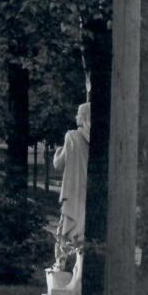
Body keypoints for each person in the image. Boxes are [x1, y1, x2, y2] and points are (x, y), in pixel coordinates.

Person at [53, 103, 89, 270]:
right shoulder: (94, 139)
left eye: (78, 113)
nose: (76, 116)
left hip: (72, 191)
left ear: (82, 117)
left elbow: (58, 164)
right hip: (86, 191)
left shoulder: (71, 136)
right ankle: (78, 270)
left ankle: (63, 268)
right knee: (82, 231)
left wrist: (58, 151)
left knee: (65, 232)